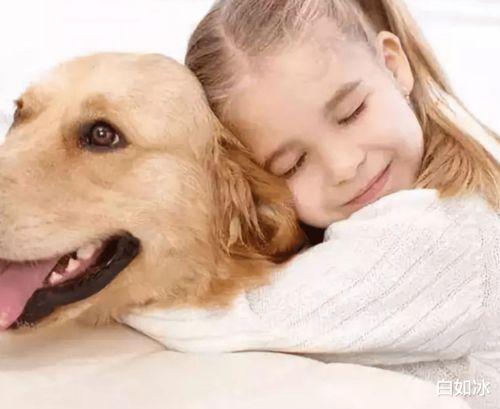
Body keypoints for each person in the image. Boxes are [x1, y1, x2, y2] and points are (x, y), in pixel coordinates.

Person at [120, 2, 500, 408]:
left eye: (351, 113)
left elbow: (229, 318)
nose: (343, 165)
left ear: (393, 64)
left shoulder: (451, 229)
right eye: (293, 164)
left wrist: (114, 281)